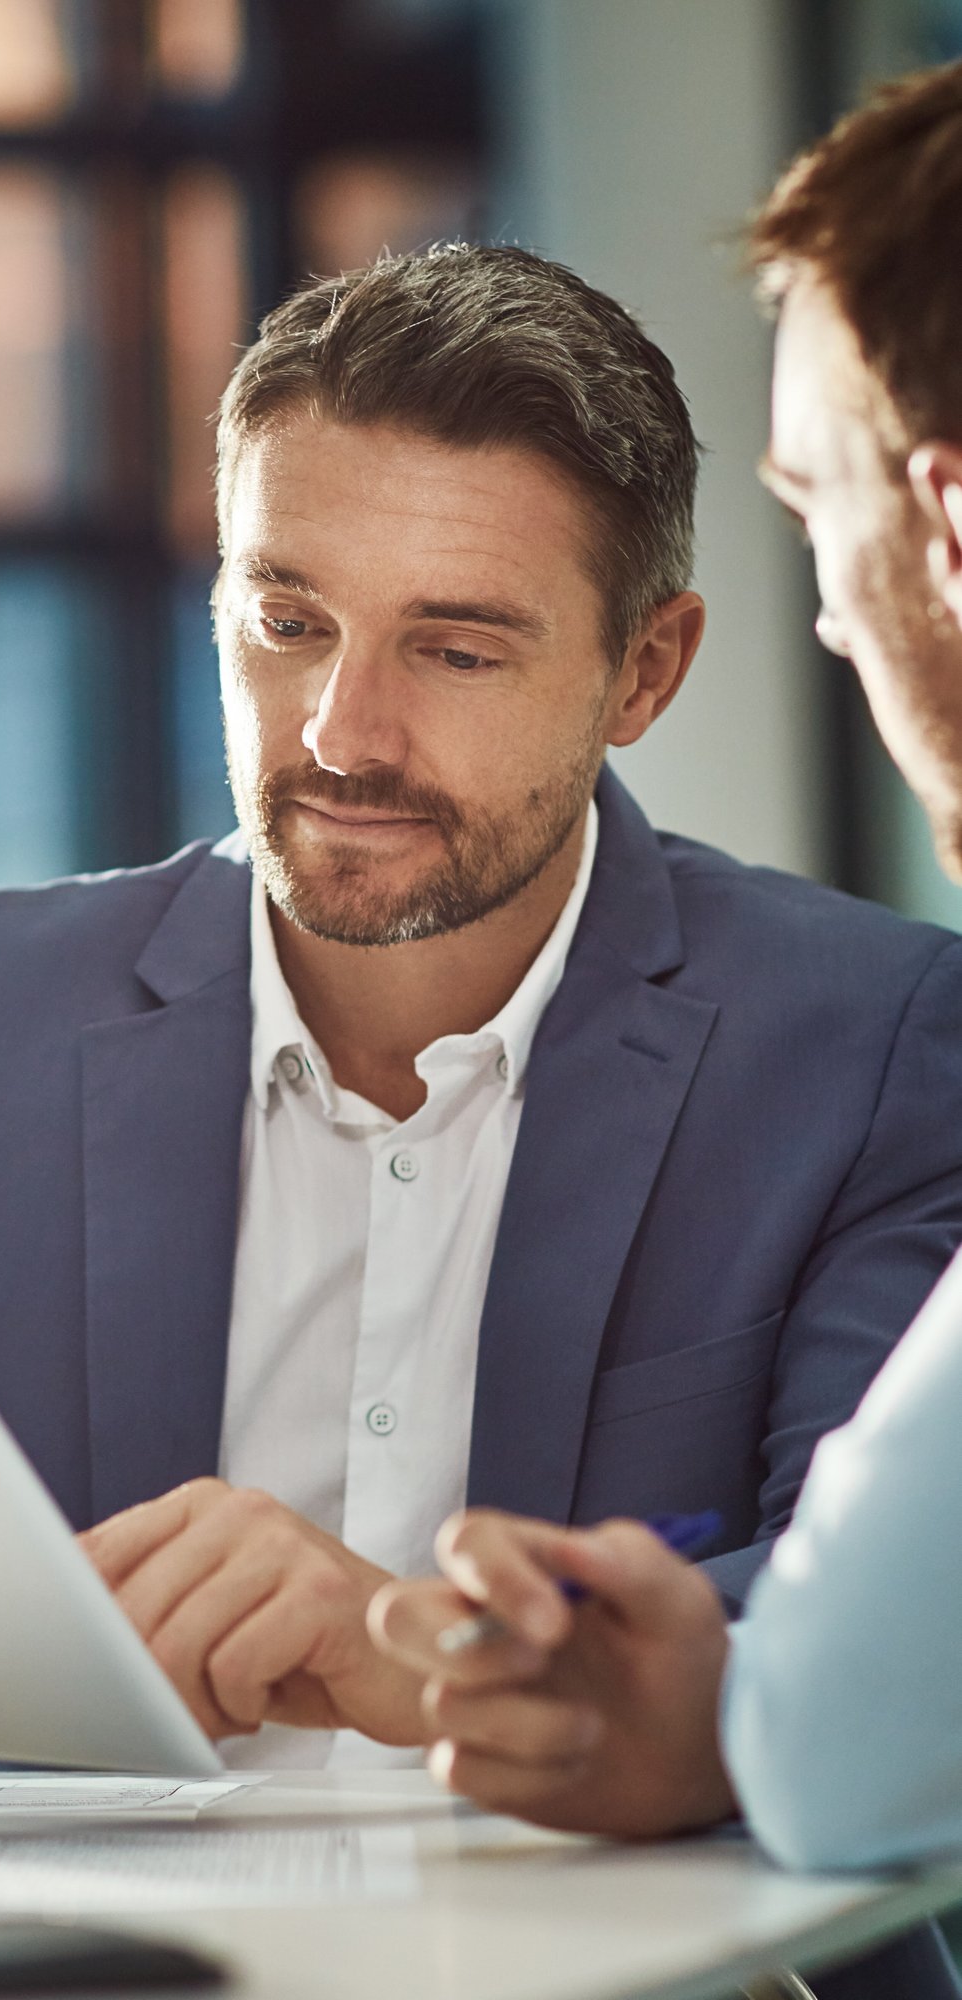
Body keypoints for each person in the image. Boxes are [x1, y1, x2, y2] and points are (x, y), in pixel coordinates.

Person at [0, 236, 962, 1862]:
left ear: (645, 671)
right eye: (287, 621)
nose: (342, 734)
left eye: (456, 650)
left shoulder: (882, 1043)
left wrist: (410, 1649)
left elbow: (886, 1637)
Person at [370, 47, 962, 1905]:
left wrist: (686, 1694)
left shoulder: (874, 1034)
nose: (832, 615)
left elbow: (845, 1731)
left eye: (818, 511)